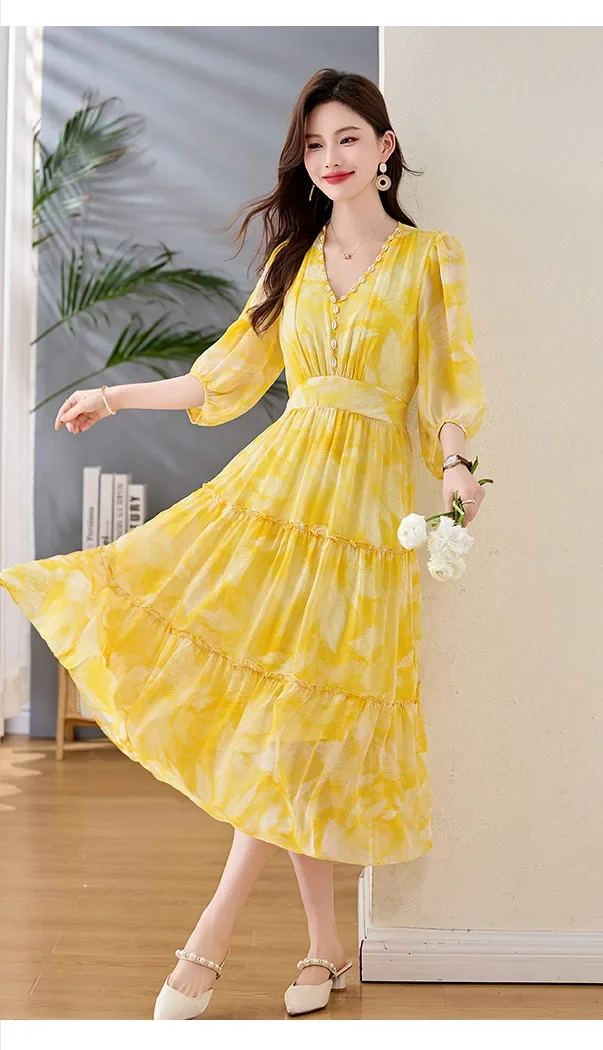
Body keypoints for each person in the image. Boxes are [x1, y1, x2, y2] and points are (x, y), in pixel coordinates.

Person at [0, 67, 487, 1019]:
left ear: (385, 148)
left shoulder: (432, 258)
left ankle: (216, 936)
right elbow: (220, 378)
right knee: (283, 717)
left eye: (349, 138)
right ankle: (320, 948)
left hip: (362, 519)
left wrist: (458, 468)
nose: (330, 158)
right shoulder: (292, 261)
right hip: (278, 495)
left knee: (299, 719)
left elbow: (448, 381)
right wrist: (113, 394)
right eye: (315, 143)